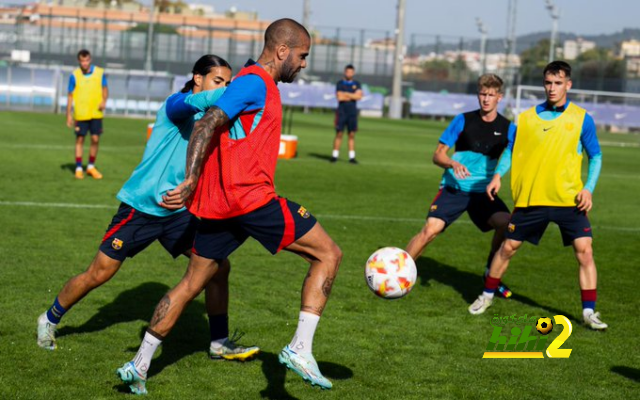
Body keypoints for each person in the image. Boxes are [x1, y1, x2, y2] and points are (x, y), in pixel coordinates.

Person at [117, 18, 342, 394]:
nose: (303, 64)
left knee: (192, 281)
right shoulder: (255, 82)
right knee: (328, 254)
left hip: (222, 205)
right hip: (250, 199)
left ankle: (138, 364)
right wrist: (189, 180)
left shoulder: (255, 83)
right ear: (282, 50)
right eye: (302, 56)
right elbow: (206, 124)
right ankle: (300, 348)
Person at [38, 55, 260, 361]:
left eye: (227, 82)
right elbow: (212, 100)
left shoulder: (212, 121)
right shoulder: (175, 105)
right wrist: (248, 85)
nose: (223, 87)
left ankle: (219, 342)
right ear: (198, 79)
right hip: (139, 209)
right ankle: (49, 318)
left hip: (179, 214)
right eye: (218, 80)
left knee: (218, 267)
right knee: (98, 273)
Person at [468, 61, 607, 331]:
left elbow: (596, 156)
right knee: (507, 248)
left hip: (569, 200)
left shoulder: (582, 118)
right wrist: (498, 175)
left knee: (585, 252)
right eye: (548, 82)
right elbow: (510, 150)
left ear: (568, 84)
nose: (552, 88)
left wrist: (588, 187)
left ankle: (589, 312)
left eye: (558, 83)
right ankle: (486, 295)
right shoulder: (528, 117)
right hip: (532, 198)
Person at [405, 74, 515, 299]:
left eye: (491, 95)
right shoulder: (463, 120)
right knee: (430, 230)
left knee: (507, 225)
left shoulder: (508, 127)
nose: (486, 99)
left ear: (499, 97)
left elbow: (511, 156)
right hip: (454, 188)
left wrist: (498, 176)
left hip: (482, 193)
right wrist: (452, 163)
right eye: (483, 94)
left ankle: (490, 272)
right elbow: (437, 155)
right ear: (478, 94)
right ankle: (399, 272)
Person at [66, 49, 108, 180]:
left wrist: (104, 101)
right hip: (81, 114)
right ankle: (79, 168)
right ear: (79, 61)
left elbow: (105, 90)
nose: (85, 63)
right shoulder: (74, 75)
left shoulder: (100, 73)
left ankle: (90, 167)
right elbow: (70, 96)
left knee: (95, 139)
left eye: (87, 60)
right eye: (82, 60)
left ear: (90, 59)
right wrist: (68, 114)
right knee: (80, 139)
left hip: (96, 113)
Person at [330, 64, 362, 163]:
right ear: (345, 72)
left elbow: (359, 97)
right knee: (339, 133)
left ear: (353, 73)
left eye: (351, 72)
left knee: (351, 134)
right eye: (347, 71)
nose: (349, 73)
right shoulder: (340, 83)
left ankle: (352, 157)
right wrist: (352, 95)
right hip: (342, 112)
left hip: (352, 113)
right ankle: (334, 155)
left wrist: (346, 94)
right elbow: (339, 97)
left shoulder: (357, 83)